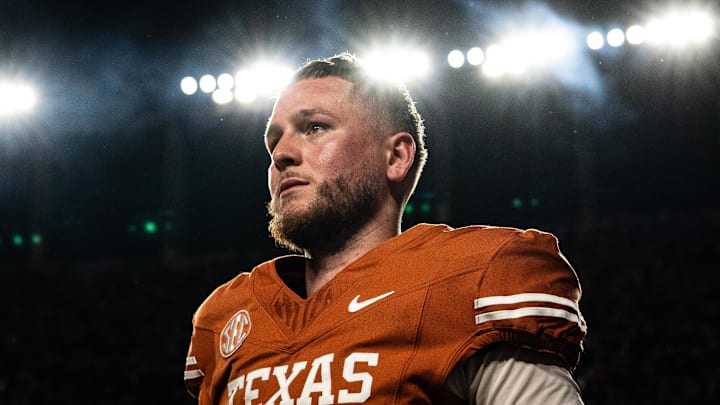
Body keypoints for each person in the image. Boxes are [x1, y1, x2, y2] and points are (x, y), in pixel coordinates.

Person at [184, 53, 587, 404]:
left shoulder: (470, 281)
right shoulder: (227, 317)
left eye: (315, 128)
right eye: (274, 143)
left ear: (395, 156)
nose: (282, 155)